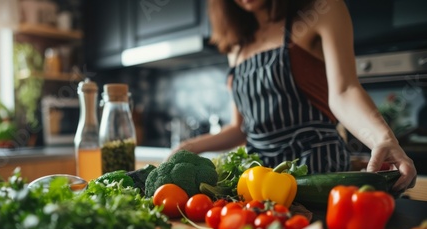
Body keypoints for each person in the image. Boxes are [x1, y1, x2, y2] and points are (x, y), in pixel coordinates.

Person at [171, 0, 416, 193]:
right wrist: (189, 147)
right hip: (257, 176)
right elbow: (241, 128)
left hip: (316, 168)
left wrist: (382, 139)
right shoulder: (237, 46)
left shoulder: (322, 9)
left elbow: (344, 92)